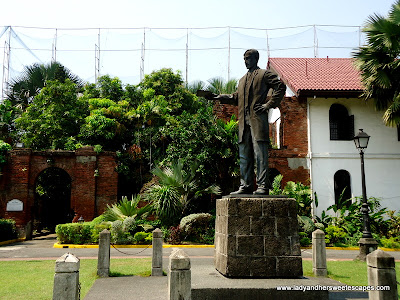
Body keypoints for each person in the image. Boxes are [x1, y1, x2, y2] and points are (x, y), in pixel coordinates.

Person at [202, 49, 285, 195]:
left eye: (247, 58)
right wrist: (217, 97)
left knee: (260, 154)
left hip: (257, 120)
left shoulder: (264, 74)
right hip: (243, 122)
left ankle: (262, 186)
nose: (245, 61)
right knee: (244, 155)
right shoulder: (242, 80)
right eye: (244, 59)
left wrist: (268, 105)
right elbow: (235, 98)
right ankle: (246, 185)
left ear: (255, 59)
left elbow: (280, 86)